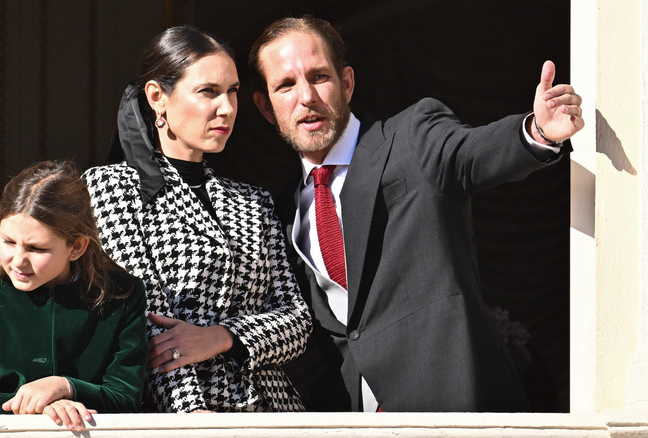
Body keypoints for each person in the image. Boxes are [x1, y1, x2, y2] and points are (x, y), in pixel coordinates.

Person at [249, 16, 584, 412]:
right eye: (285, 85)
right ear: (266, 108)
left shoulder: (412, 138)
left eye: (319, 77)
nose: (306, 97)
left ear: (347, 83)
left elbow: (472, 154)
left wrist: (537, 132)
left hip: (459, 411)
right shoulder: (283, 209)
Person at [83, 26, 311, 413]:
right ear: (158, 97)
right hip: (181, 416)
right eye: (208, 91)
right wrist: (190, 414)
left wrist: (222, 336)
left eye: (233, 91)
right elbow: (145, 318)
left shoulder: (254, 202)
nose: (226, 107)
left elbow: (297, 321)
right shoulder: (113, 186)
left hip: (275, 412)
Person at [0, 161, 147, 431]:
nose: (18, 261)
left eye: (36, 248)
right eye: (8, 241)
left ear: (76, 247)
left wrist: (65, 387)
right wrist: (40, 407)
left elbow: (126, 399)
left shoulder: (121, 294)